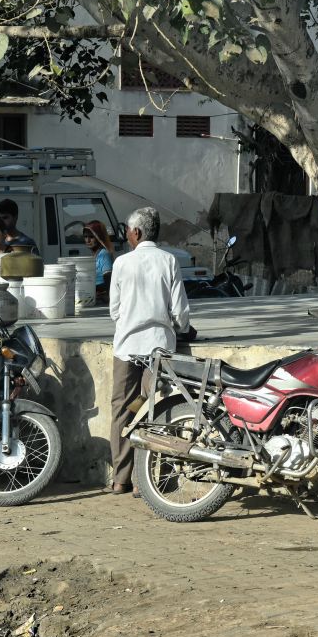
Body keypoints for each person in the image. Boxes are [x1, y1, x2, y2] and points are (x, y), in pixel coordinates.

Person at [108, 207, 190, 495]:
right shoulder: (169, 261)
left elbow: (114, 311)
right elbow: (180, 312)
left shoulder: (122, 263)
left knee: (122, 410)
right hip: (159, 348)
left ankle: (121, 479)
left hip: (127, 348)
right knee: (158, 410)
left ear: (137, 233)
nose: (127, 236)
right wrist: (180, 327)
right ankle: (152, 481)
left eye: (128, 232)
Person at [82, 220, 115, 305]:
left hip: (101, 298)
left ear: (99, 237)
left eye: (91, 237)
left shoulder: (104, 254)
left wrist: (92, 289)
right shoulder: (95, 255)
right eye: (85, 237)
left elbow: (108, 279)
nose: (88, 240)